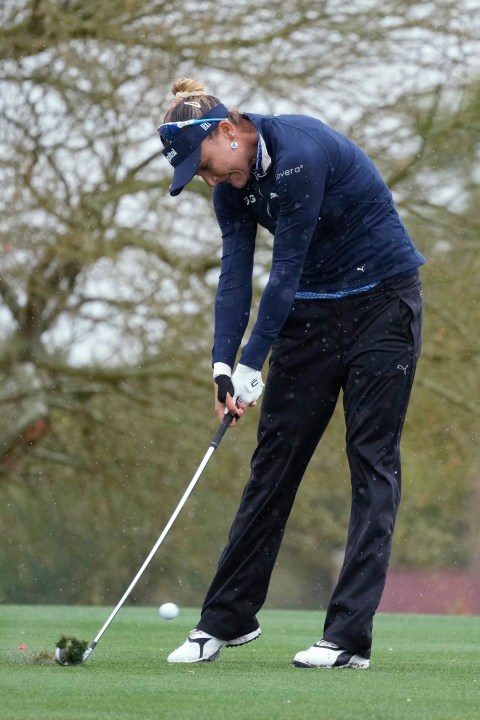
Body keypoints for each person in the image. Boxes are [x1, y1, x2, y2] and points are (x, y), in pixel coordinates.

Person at [158, 78, 425, 668]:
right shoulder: (231, 188)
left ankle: (348, 637)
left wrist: (256, 360)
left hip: (383, 304)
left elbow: (284, 270)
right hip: (311, 312)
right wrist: (225, 365)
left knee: (371, 461)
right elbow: (235, 278)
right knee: (273, 463)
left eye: (205, 166)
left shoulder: (299, 155)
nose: (209, 180)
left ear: (228, 132)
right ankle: (226, 619)